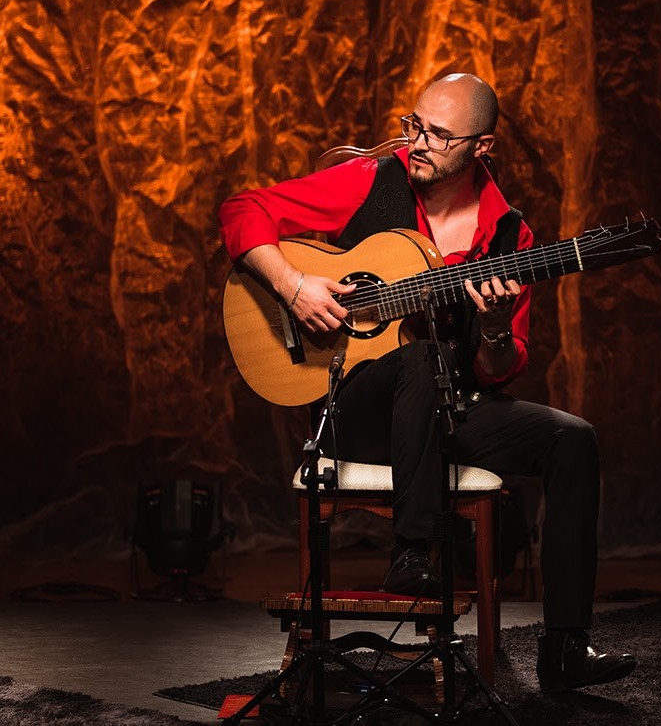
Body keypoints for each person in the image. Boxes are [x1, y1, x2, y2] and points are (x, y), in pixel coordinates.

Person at [218, 72, 636, 693]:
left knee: (571, 438)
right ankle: (412, 555)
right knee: (420, 358)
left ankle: (566, 648)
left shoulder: (507, 235)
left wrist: (492, 329)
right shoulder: (372, 178)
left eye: (438, 136)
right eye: (414, 125)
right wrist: (294, 284)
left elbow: (500, 367)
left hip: (447, 408)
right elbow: (243, 208)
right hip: (354, 411)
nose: (416, 142)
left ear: (482, 147)